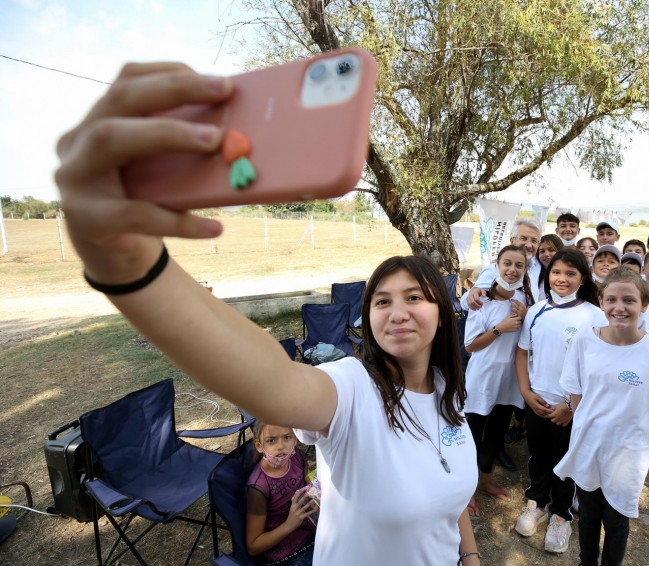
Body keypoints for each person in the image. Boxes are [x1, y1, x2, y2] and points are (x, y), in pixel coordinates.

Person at [54, 63, 480, 566]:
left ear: (442, 308)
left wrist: (469, 555)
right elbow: (271, 379)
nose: (398, 311)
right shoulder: (351, 389)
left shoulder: (448, 389)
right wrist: (130, 266)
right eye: (381, 301)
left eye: (415, 296)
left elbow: (448, 486)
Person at [555, 268, 649, 566]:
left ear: (644, 304)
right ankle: (586, 562)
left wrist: (646, 447)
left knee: (616, 522)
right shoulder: (583, 342)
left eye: (629, 300)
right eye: (612, 299)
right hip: (589, 449)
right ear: (602, 302)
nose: (620, 308)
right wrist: (586, 430)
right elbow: (576, 394)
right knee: (589, 517)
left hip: (627, 457)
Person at [514, 249, 605, 554]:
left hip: (572, 408)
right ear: (547, 274)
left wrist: (570, 406)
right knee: (538, 455)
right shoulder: (536, 310)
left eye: (570, 273)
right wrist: (526, 393)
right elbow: (522, 353)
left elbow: (598, 366)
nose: (562, 278)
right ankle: (537, 503)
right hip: (537, 400)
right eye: (556, 272)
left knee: (566, 462)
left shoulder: (594, 315)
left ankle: (561, 515)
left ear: (582, 278)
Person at [463, 246, 534, 518]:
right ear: (497, 265)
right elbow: (470, 345)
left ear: (525, 270)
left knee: (495, 433)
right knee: (473, 435)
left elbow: (534, 336)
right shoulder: (481, 301)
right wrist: (499, 329)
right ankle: (465, 490)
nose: (512, 269)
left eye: (519, 265)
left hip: (510, 381)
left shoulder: (526, 299)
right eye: (507, 263)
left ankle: (484, 481)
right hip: (482, 380)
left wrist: (527, 315)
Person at [504, 234, 566, 450]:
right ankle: (521, 423)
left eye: (552, 250)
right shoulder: (531, 271)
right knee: (528, 381)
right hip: (525, 337)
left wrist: (529, 311)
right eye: (543, 251)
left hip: (549, 341)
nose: (547, 254)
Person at [247, 421, 317, 565]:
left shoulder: (296, 457)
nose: (281, 446)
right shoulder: (258, 488)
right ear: (259, 446)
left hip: (314, 532)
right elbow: (253, 546)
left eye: (287, 437)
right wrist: (289, 525)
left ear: (295, 438)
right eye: (271, 440)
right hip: (287, 553)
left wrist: (318, 500)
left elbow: (309, 487)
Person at [463, 217, 543, 311]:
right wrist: (473, 292)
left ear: (538, 244)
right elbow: (465, 303)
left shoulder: (537, 265)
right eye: (523, 238)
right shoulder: (495, 269)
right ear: (512, 240)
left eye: (534, 240)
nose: (529, 245)